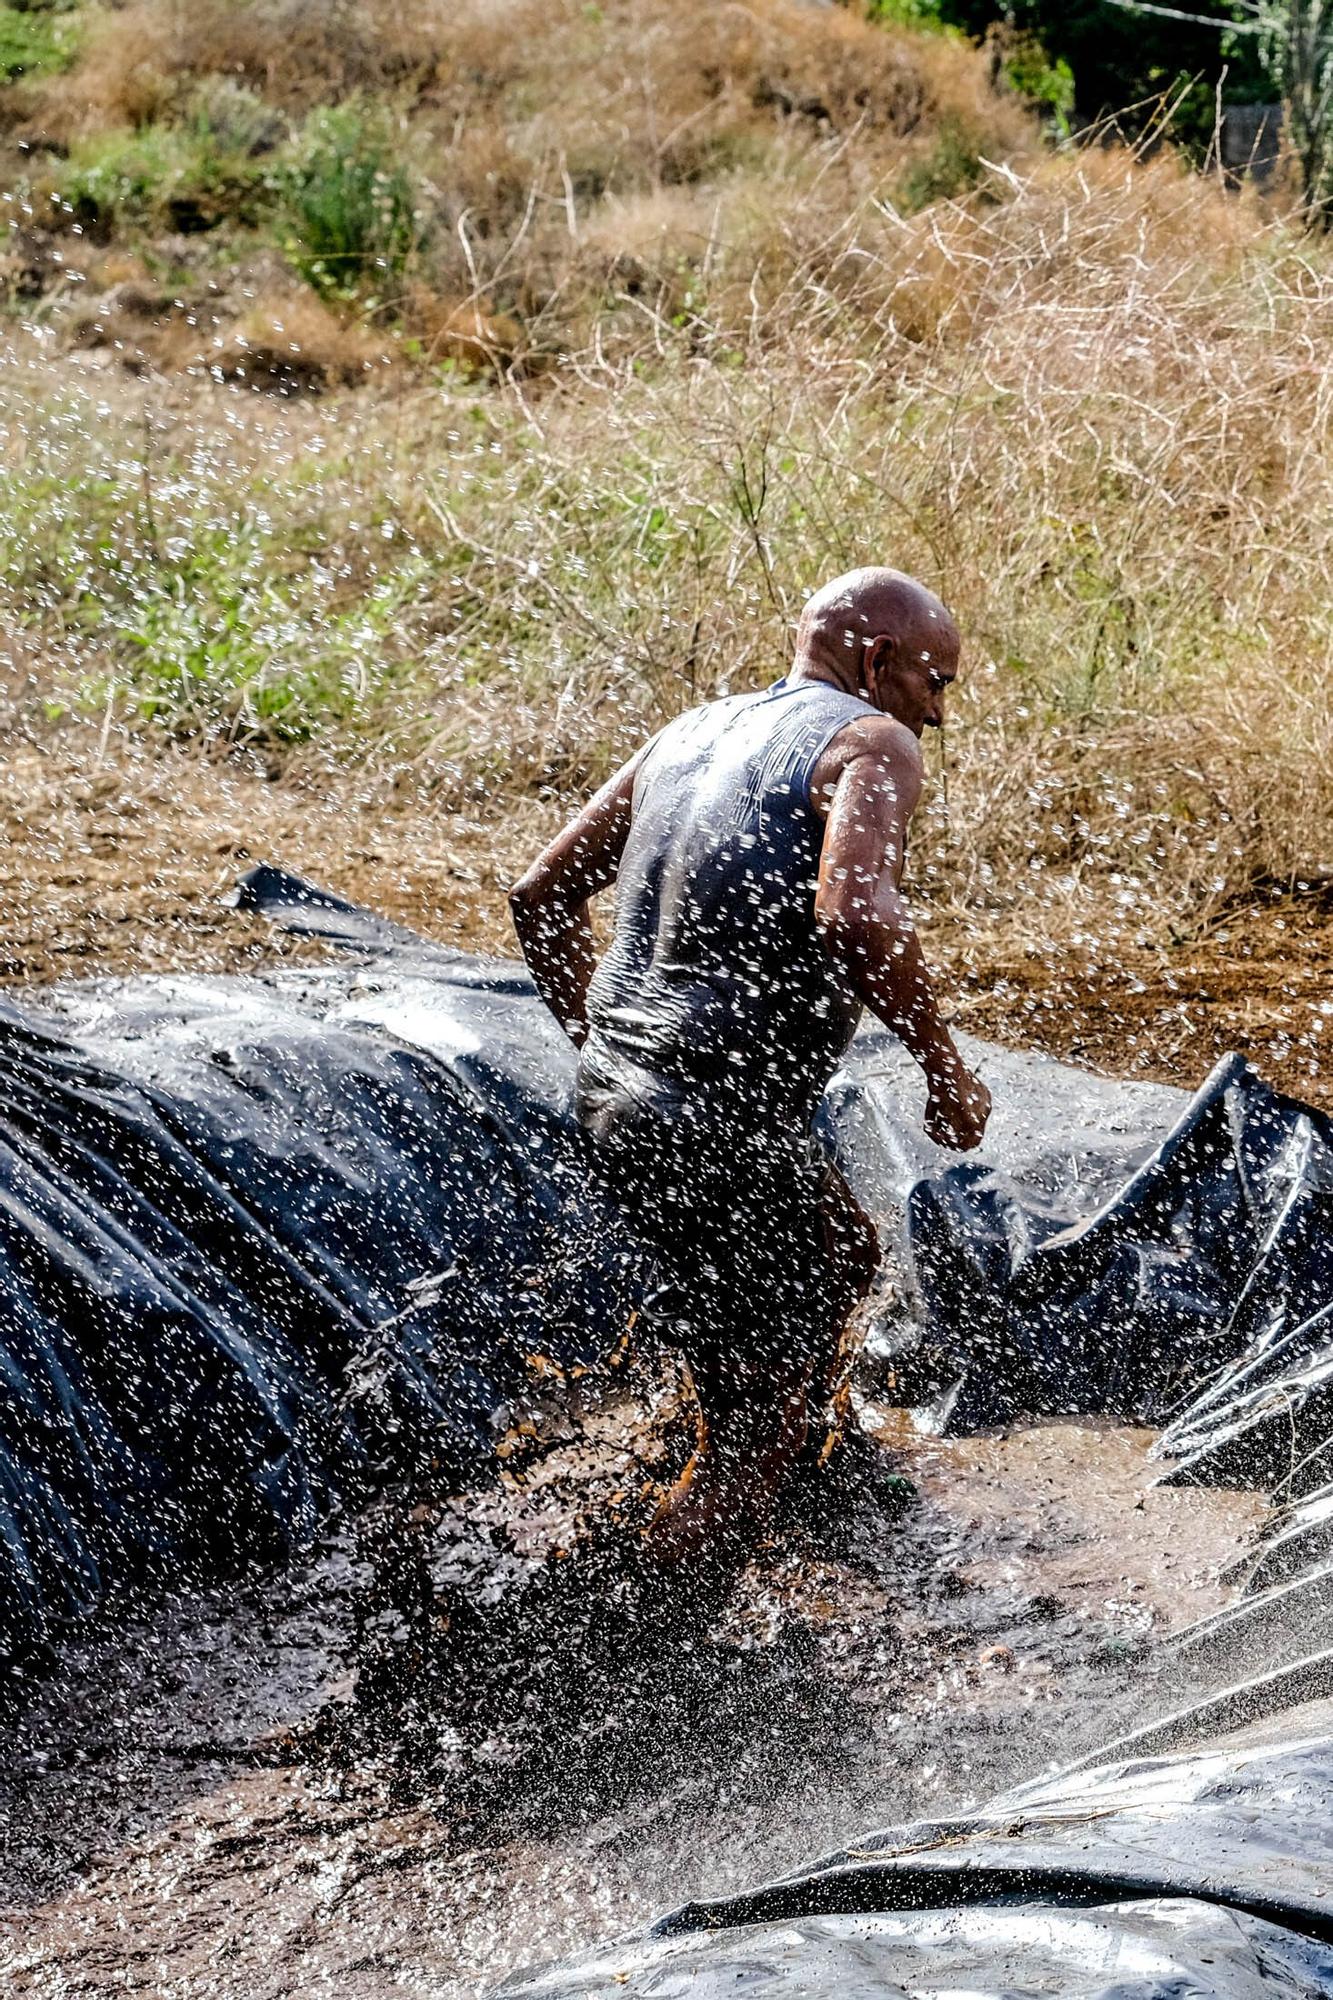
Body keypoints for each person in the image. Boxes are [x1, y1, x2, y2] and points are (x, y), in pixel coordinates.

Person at [509, 567, 991, 1561]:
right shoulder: (872, 739)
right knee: (746, 1442)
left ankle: (795, 1449)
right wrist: (944, 1065)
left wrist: (605, 1053)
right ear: (878, 661)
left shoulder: (685, 733)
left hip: (618, 1100)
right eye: (934, 683)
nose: (936, 714)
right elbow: (854, 911)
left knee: (842, 1252)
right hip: (716, 1122)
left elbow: (538, 896)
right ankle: (661, 1643)